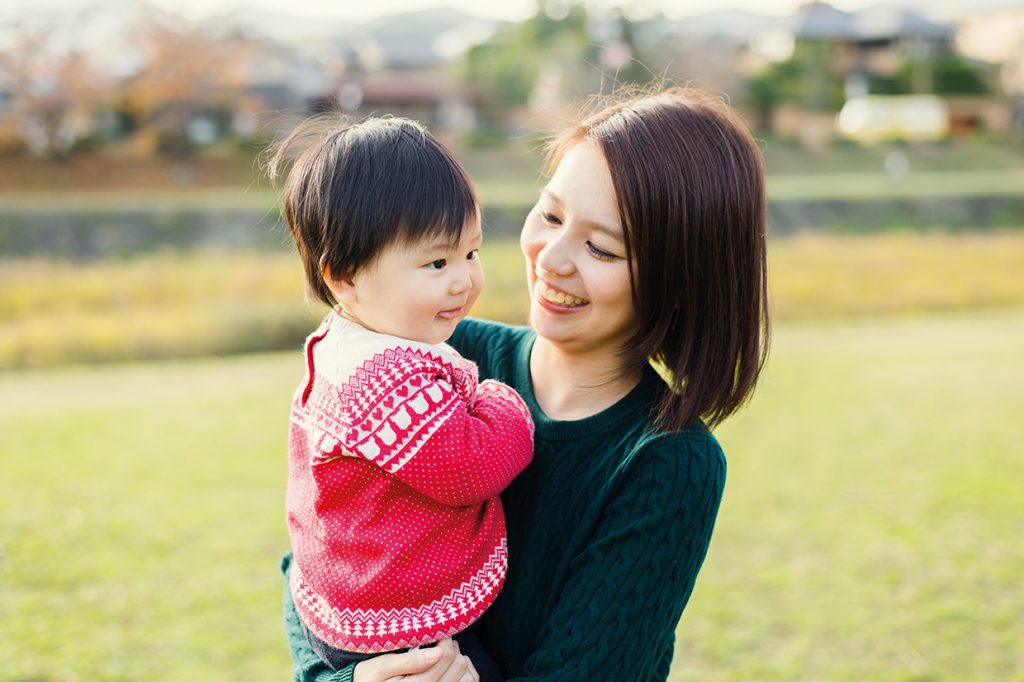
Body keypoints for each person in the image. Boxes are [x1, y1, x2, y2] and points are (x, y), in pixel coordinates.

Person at [280, 85, 770, 681]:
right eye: (551, 215)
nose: (552, 257)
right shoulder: (438, 358)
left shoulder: (667, 464)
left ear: (678, 276)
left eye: (601, 248)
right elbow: (317, 557)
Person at [268, 116, 535, 680]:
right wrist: (503, 400)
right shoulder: (389, 379)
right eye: (437, 263)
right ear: (345, 277)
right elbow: (472, 465)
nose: (463, 280)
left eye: (471, 253)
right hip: (399, 624)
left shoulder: (340, 347)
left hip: (351, 599)